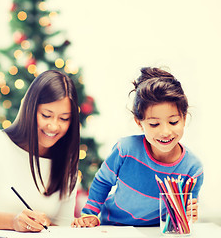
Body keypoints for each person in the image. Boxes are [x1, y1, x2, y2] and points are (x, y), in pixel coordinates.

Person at [72, 67, 204, 228]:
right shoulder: (125, 149)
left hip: (156, 232)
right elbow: (103, 181)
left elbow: (183, 216)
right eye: (154, 124)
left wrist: (189, 214)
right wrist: (90, 214)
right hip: (113, 227)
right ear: (138, 122)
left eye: (173, 122)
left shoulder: (193, 168)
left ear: (184, 117)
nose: (165, 132)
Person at [0, 70, 80, 232]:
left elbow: (63, 229)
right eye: (46, 115)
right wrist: (12, 221)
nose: (54, 126)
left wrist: (45, 224)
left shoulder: (67, 165)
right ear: (30, 109)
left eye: (64, 118)